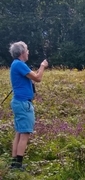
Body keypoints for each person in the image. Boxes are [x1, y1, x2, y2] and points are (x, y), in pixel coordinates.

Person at [9, 41, 48, 170]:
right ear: (22, 53)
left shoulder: (17, 65)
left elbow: (31, 77)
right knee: (24, 133)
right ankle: (18, 165)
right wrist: (42, 66)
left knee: (19, 133)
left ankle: (15, 163)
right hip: (23, 103)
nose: (28, 52)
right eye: (27, 50)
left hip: (19, 102)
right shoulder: (20, 64)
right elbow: (38, 78)